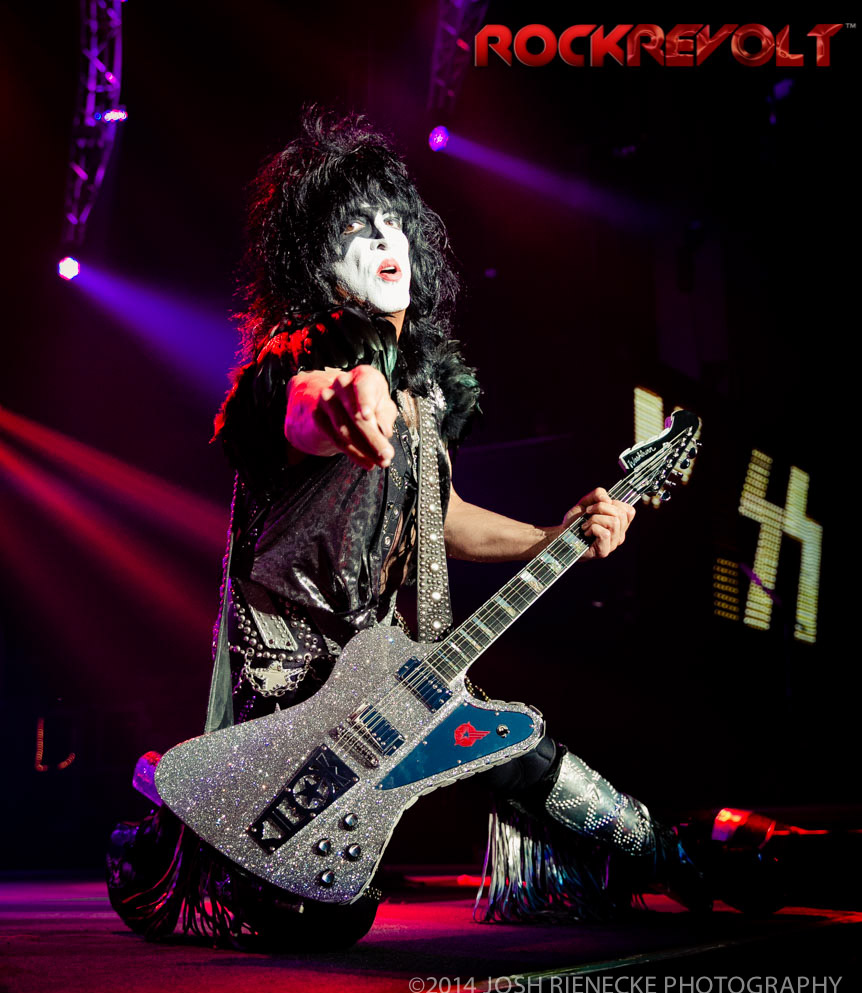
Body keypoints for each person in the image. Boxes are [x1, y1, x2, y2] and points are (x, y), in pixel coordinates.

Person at [107, 108, 719, 949]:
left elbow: (443, 520)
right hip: (293, 679)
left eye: (392, 221)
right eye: (353, 228)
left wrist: (555, 536)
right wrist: (343, 397)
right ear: (316, 262)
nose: (382, 237)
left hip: (385, 667)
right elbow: (307, 408)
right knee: (313, 919)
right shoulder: (292, 365)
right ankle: (169, 831)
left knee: (517, 747)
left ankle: (670, 858)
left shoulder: (426, 403)